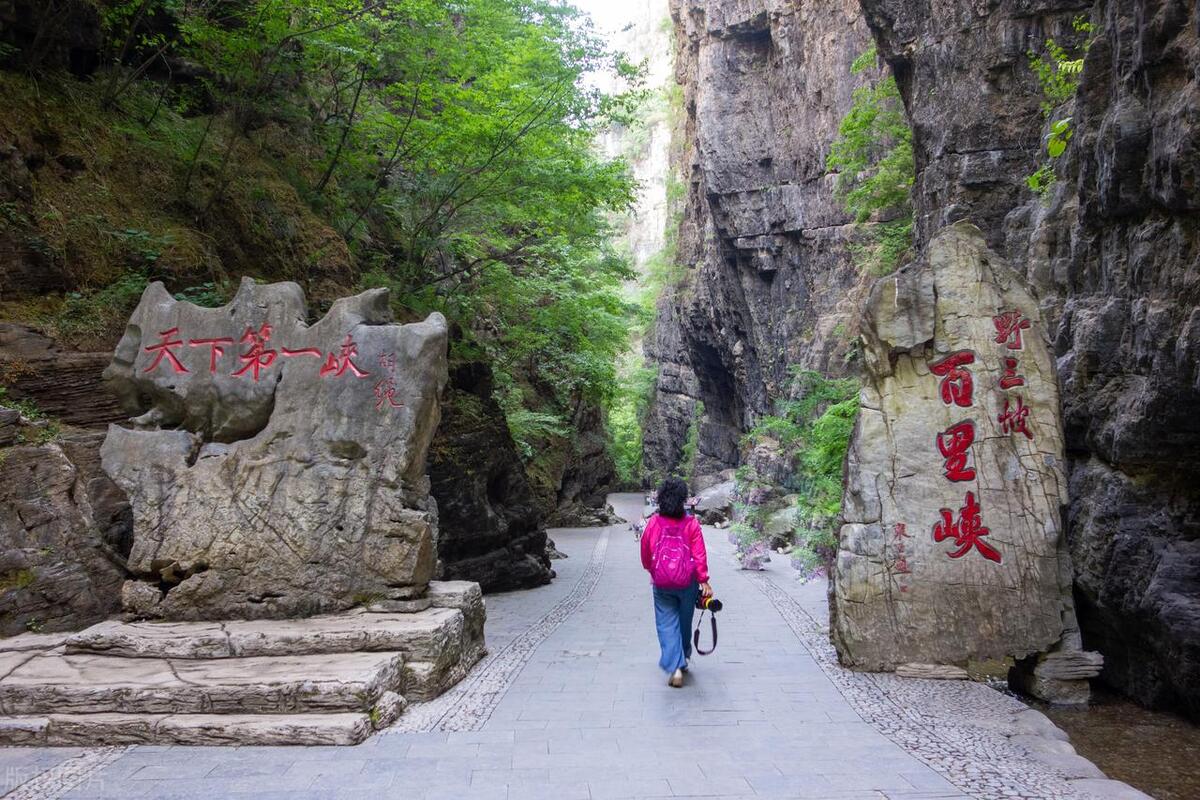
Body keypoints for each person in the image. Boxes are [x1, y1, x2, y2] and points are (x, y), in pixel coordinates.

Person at [640, 476, 712, 688]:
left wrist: (651, 569)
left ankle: (676, 667)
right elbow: (700, 554)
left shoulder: (653, 523)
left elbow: (645, 551)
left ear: (660, 498)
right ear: (683, 499)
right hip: (687, 583)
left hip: (661, 582)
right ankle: (683, 657)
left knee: (666, 623)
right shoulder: (691, 524)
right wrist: (704, 580)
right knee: (684, 621)